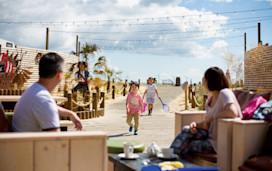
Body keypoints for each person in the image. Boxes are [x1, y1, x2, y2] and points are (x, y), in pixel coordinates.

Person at [170, 66, 242, 159]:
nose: (203, 82)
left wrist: (213, 116)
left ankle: (170, 161)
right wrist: (195, 125)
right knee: (186, 130)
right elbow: (206, 125)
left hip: (219, 142)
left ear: (210, 80)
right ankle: (169, 159)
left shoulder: (225, 93)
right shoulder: (210, 101)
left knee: (186, 146)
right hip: (209, 136)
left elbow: (232, 112)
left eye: (204, 79)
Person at [12, 52, 82, 132]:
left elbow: (45, 106)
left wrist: (70, 114)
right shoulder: (43, 99)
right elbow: (55, 140)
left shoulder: (33, 89)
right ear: (59, 73)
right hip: (31, 144)